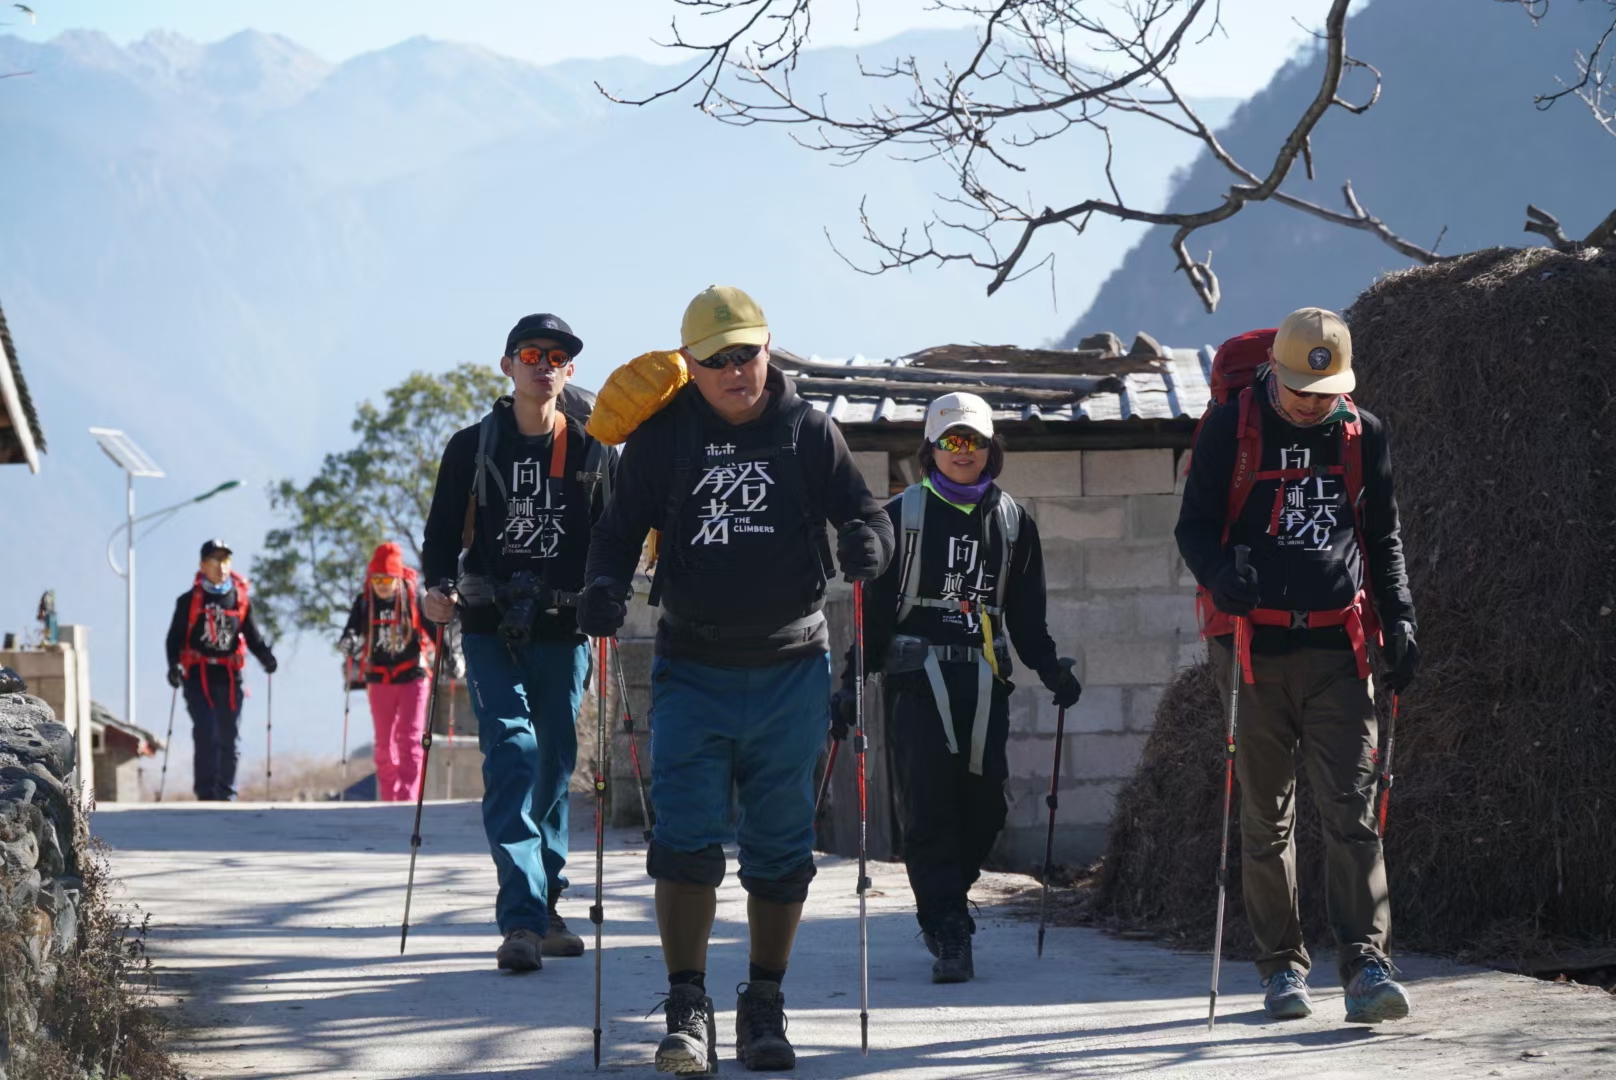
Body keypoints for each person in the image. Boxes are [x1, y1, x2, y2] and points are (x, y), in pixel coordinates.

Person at [579, 285, 892, 1074]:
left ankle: (764, 1002)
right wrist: (602, 588)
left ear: (767, 347)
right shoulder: (662, 441)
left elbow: (870, 517)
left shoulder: (807, 431)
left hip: (791, 667)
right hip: (693, 666)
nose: (734, 370)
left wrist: (867, 545)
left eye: (745, 353)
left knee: (781, 849)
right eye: (715, 359)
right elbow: (614, 537)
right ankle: (688, 1006)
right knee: (683, 842)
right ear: (689, 363)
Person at [1175, 307, 1420, 1025]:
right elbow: (1192, 526)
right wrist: (1221, 576)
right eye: (1303, 391)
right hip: (1253, 650)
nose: (1316, 403)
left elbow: (1383, 533)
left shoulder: (1361, 433)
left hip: (1339, 650)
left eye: (1329, 391)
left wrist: (1400, 615)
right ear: (1275, 375)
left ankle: (1366, 965)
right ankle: (1282, 969)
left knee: (1352, 809)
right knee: (1266, 817)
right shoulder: (1232, 428)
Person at [837, 392, 1080, 984]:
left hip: (984, 681)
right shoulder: (899, 517)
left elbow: (1026, 615)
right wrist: (850, 681)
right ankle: (946, 923)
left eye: (972, 440)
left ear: (991, 447)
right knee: (928, 808)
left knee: (985, 806)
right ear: (931, 449)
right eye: (950, 441)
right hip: (918, 682)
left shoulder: (1014, 523)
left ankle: (950, 896)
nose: (962, 451)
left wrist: (1051, 670)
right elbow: (872, 611)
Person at [420, 313, 615, 973]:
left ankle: (548, 899)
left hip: (565, 626)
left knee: (555, 759)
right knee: (513, 752)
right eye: (531, 353)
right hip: (487, 623)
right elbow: (442, 534)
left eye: (557, 356)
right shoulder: (472, 447)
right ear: (507, 365)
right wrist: (437, 588)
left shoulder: (592, 451)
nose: (545, 364)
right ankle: (522, 920)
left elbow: (614, 536)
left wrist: (610, 591)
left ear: (570, 371)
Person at [165, 539, 277, 801]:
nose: (221, 566)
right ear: (203, 565)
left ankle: (226, 794)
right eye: (215, 560)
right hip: (196, 675)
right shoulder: (188, 601)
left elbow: (252, 636)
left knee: (229, 735)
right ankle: (206, 794)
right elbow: (174, 639)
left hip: (230, 676)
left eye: (226, 560)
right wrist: (174, 667)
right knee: (205, 731)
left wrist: (266, 658)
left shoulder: (239, 600)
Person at [338, 542, 434, 802]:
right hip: (379, 678)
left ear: (398, 576)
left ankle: (408, 797)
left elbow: (435, 631)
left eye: (387, 578)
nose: (381, 584)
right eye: (377, 578)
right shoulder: (365, 602)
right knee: (383, 744)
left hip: (413, 674)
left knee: (411, 740)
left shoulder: (414, 598)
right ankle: (389, 798)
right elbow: (350, 633)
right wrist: (349, 645)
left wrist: (453, 656)